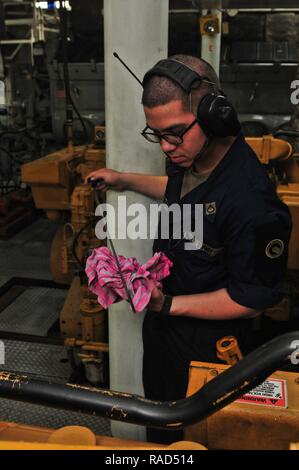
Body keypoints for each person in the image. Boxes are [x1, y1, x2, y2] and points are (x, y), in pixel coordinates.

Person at [85, 55, 292, 444]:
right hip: (166, 336)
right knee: (160, 431)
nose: (166, 146)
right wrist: (124, 180)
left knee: (194, 442)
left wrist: (166, 304)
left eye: (175, 133)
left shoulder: (253, 203)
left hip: (208, 353)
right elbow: (181, 192)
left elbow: (251, 298)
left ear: (216, 116)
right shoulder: (191, 156)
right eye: (157, 134)